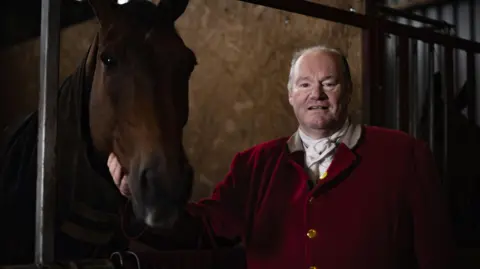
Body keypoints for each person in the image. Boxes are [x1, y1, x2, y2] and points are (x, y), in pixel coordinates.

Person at [107, 45, 454, 269]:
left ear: (347, 91)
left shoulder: (404, 154)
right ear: (290, 95)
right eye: (304, 85)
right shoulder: (255, 164)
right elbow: (203, 231)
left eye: (329, 83)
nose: (316, 94)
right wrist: (138, 201)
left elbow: (435, 255)